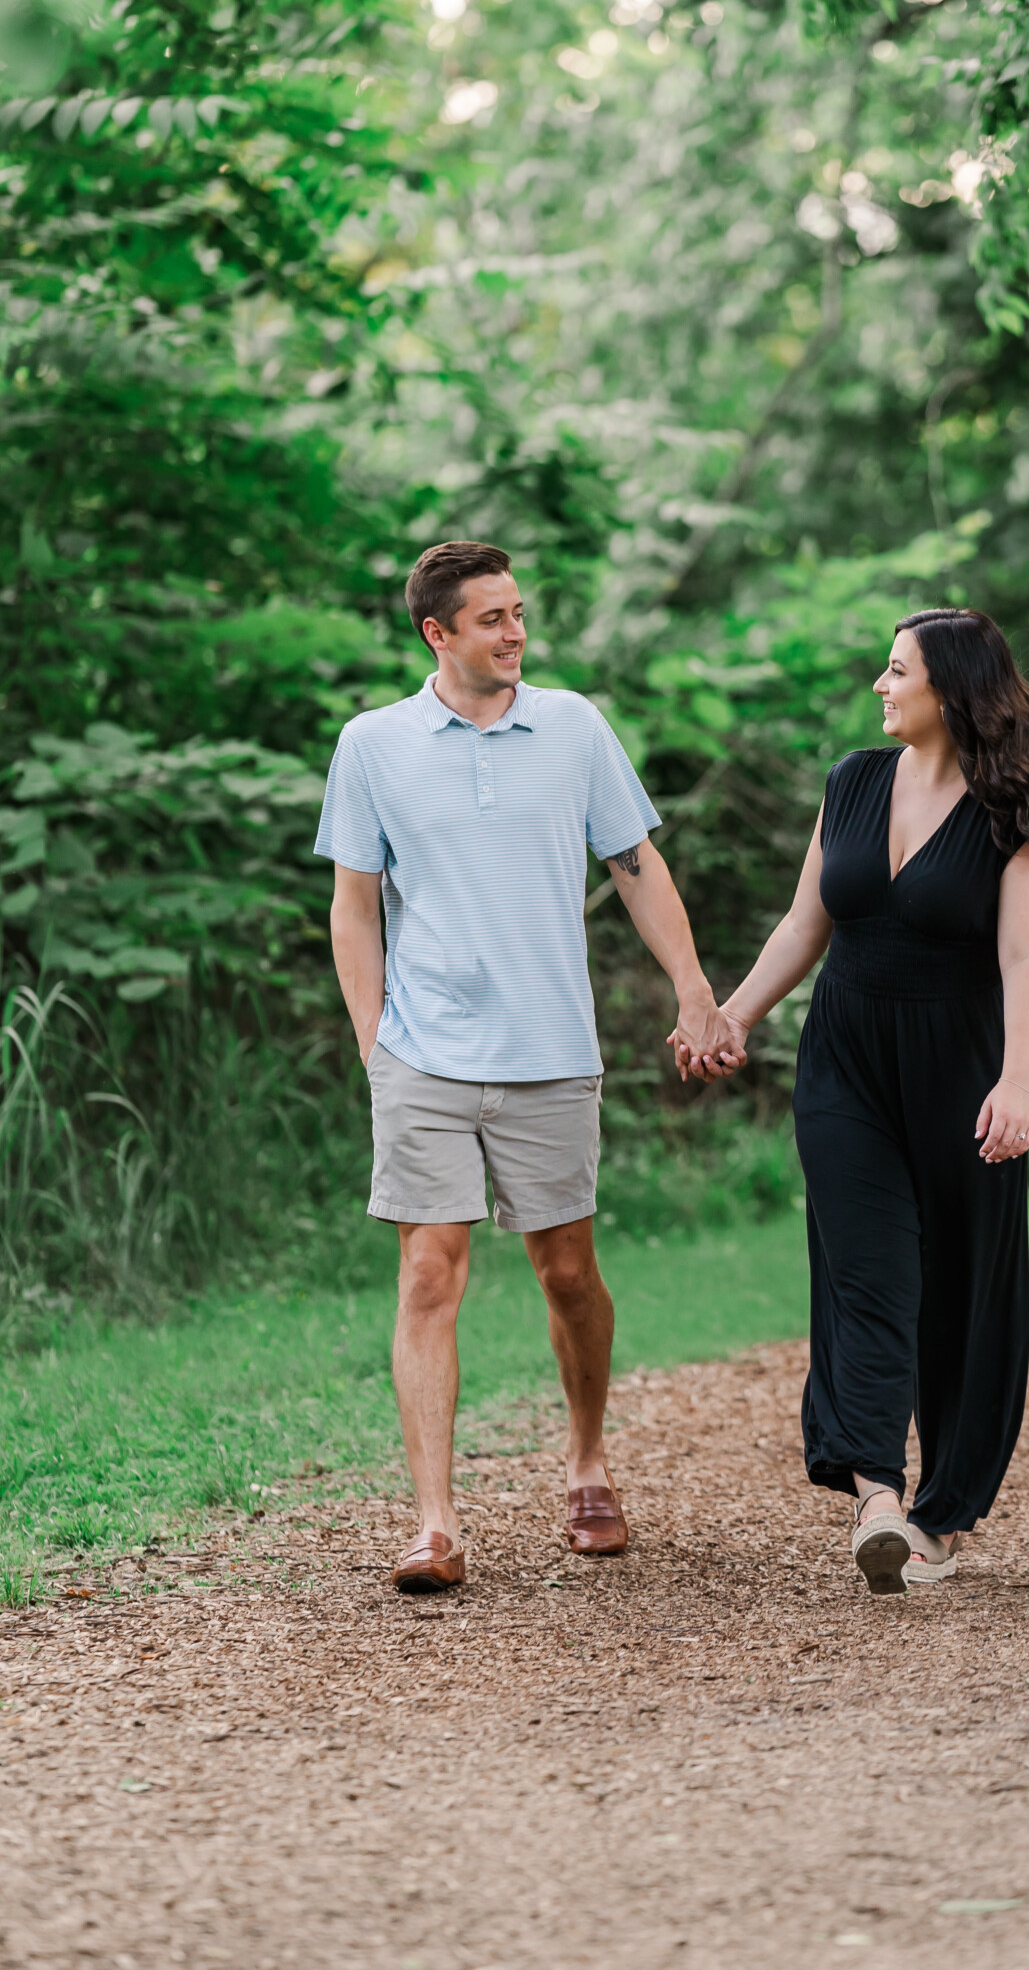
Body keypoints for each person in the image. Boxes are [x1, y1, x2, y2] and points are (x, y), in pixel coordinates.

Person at [317, 539, 741, 1590]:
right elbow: (354, 905)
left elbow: (636, 866)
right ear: (438, 633)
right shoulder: (372, 745)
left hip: (552, 1049)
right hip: (424, 1050)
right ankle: (434, 1522)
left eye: (519, 613)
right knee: (427, 1269)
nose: (516, 631)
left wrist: (694, 986)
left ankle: (589, 1460)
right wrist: (376, 1044)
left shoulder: (576, 726)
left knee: (566, 1273)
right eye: (493, 617)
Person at [686, 608, 1029, 1594]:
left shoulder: (1014, 811)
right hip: (847, 1062)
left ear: (950, 688)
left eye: (895, 670)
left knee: (956, 1291)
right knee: (867, 1272)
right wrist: (733, 1015)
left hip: (962, 1071)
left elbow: (1027, 957)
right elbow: (804, 920)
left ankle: (944, 1508)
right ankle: (877, 1496)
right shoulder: (853, 782)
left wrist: (1018, 1081)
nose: (878, 684)